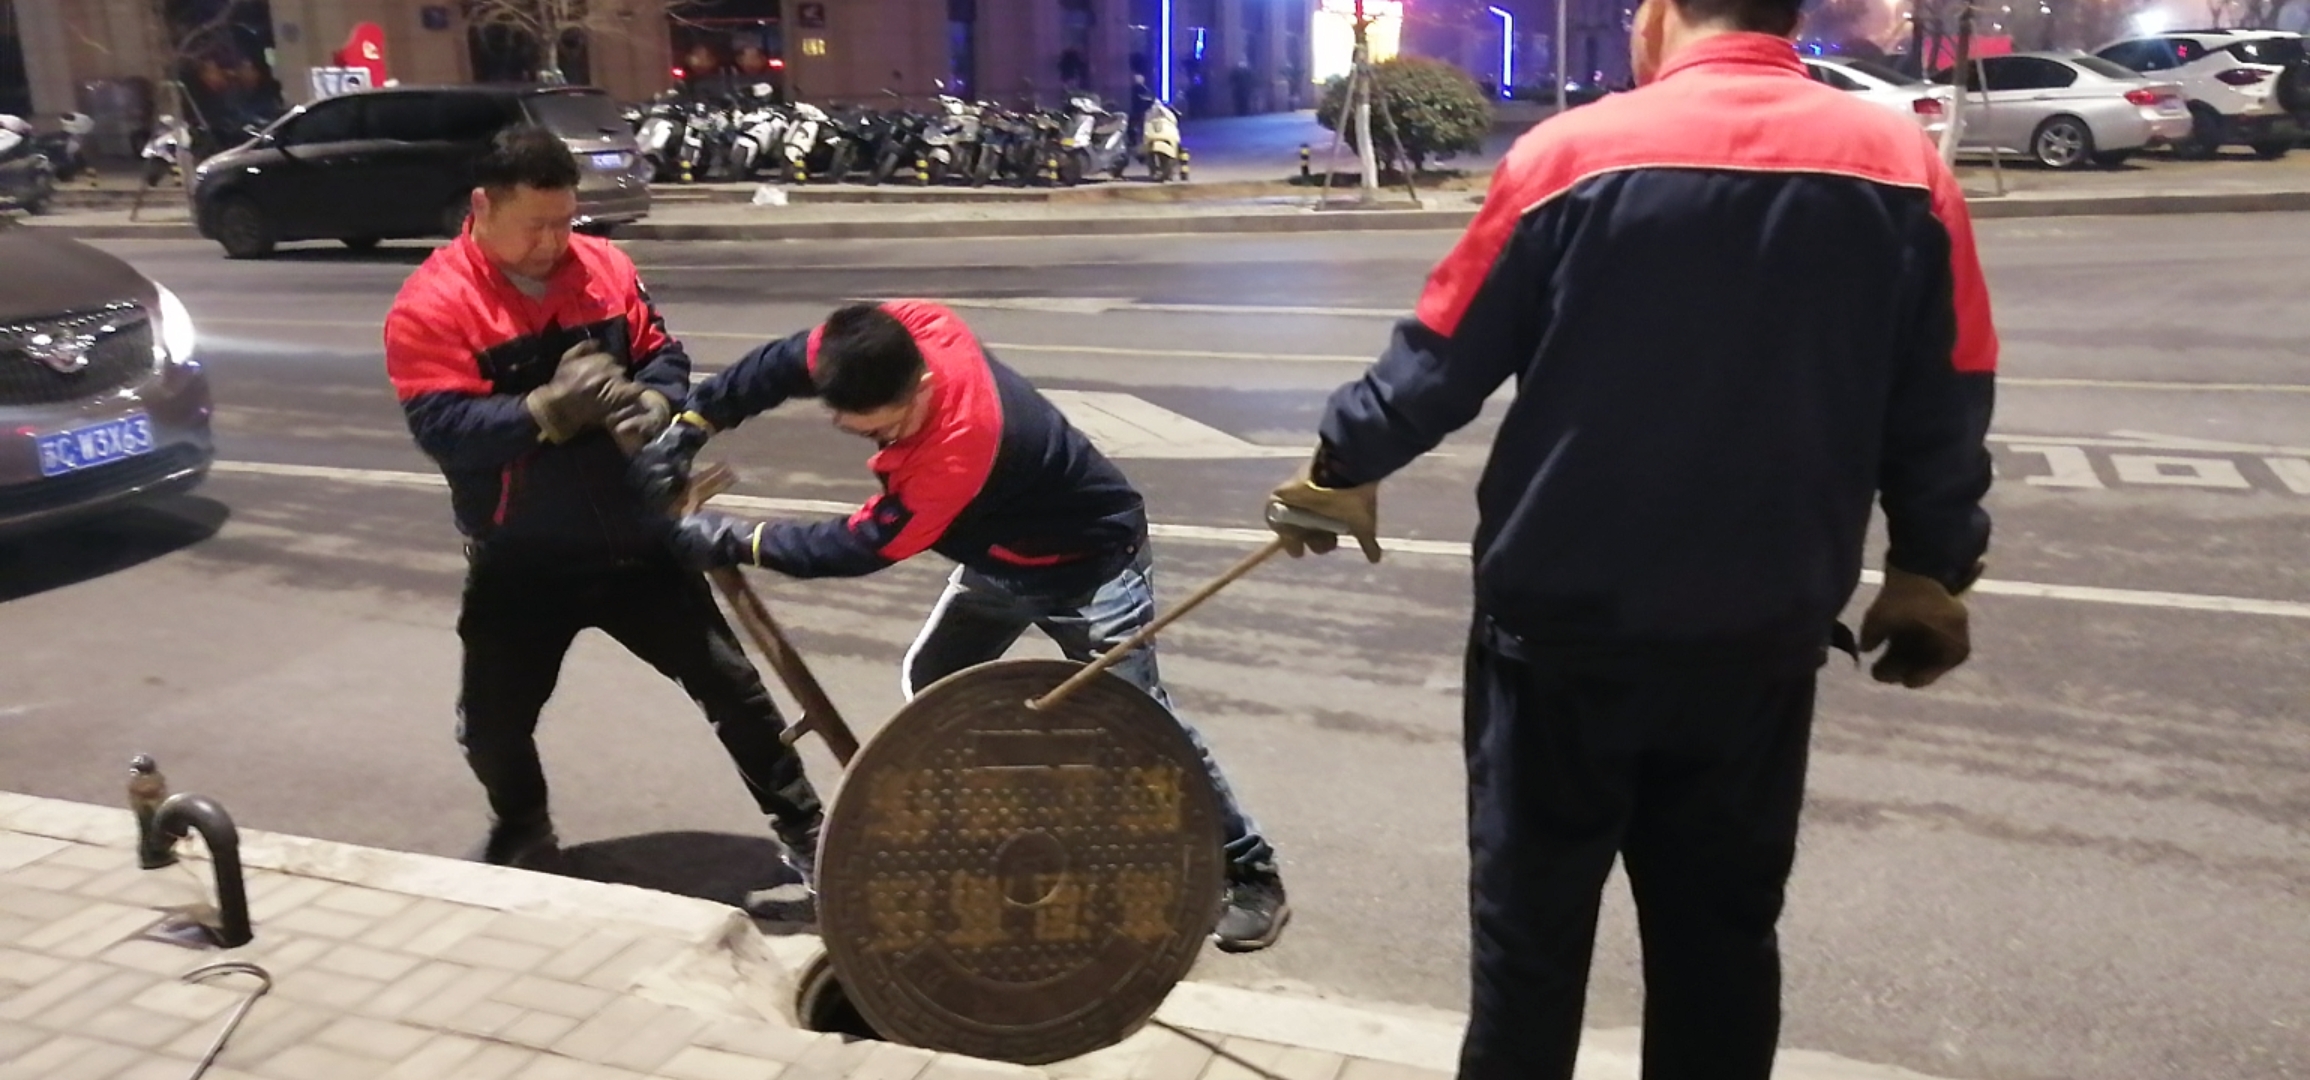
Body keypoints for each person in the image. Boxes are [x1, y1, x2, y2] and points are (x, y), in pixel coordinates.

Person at [1263, 0, 1997, 1074]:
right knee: (1721, 949)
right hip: (1759, 638)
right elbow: (1949, 385)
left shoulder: (1570, 157)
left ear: (1659, 13)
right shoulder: (1903, 167)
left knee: (1528, 955)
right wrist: (1931, 566)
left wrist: (1342, 466)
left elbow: (1443, 355)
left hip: (1559, 638)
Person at [631, 300, 1293, 953]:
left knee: (1144, 727)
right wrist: (692, 424)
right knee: (937, 682)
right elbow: (777, 366)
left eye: (886, 428)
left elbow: (861, 544)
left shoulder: (958, 448)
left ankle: (1249, 871)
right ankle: (998, 822)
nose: (876, 440)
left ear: (921, 384)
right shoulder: (905, 330)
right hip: (1000, 560)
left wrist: (736, 541)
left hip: (1092, 571)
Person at [383, 126, 825, 893]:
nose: (554, 242)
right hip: (523, 556)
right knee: (493, 724)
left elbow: (664, 354)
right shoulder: (433, 304)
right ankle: (523, 827)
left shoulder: (605, 269)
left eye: (565, 221)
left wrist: (657, 400)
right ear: (483, 207)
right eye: (536, 226)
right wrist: (544, 411)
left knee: (733, 690)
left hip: (637, 537)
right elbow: (444, 431)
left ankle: (808, 832)